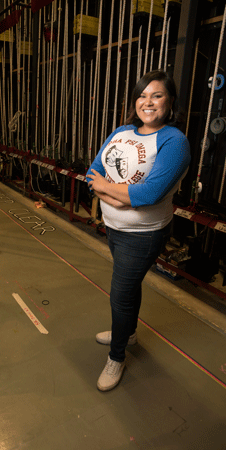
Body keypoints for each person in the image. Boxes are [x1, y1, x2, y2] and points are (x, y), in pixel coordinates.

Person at [86, 70, 191, 392]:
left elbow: (148, 195)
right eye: (143, 95)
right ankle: (128, 334)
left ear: (169, 101)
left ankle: (117, 356)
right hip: (114, 227)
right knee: (129, 289)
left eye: (156, 95)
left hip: (143, 235)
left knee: (119, 295)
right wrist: (114, 198)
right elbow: (92, 173)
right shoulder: (121, 131)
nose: (148, 102)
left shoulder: (174, 140)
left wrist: (114, 191)